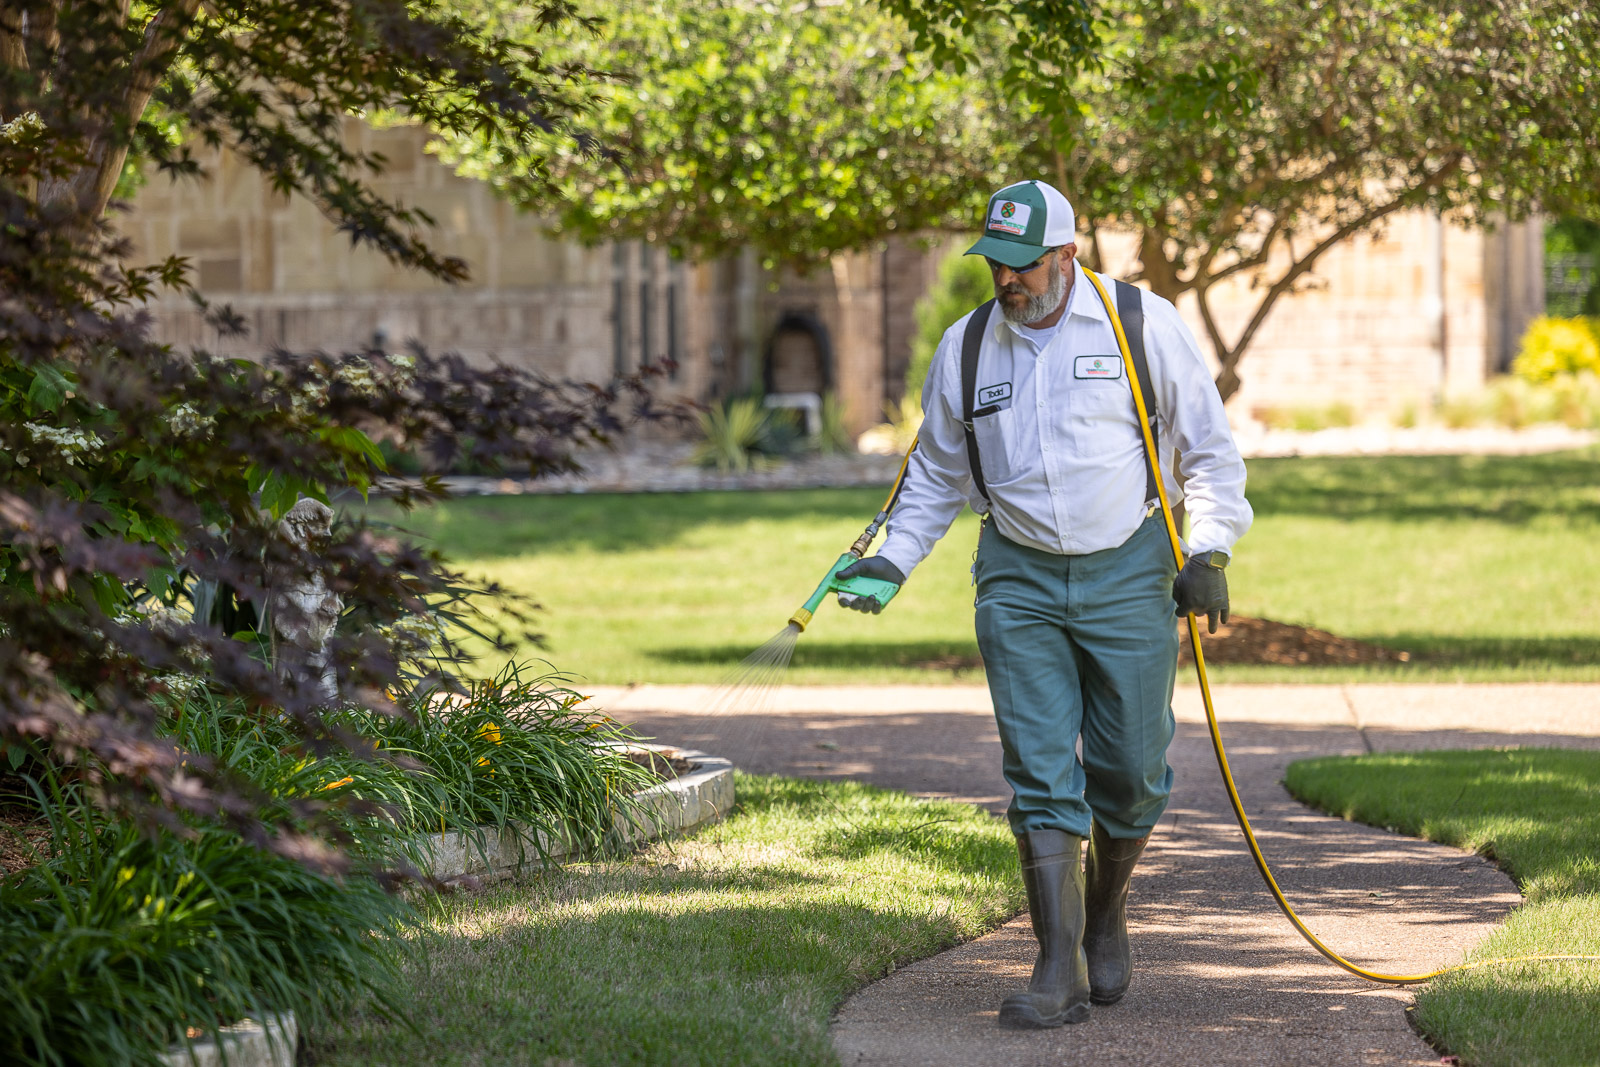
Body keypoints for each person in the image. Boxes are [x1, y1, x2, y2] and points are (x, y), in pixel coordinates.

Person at [837, 179, 1252, 1028]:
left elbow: (1209, 451)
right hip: (1018, 577)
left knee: (1132, 772)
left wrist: (1207, 547)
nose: (1009, 281)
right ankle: (1056, 961)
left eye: (1025, 265)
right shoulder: (965, 348)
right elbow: (935, 478)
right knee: (1037, 770)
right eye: (997, 264)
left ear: (1067, 255)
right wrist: (894, 563)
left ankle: (1105, 911)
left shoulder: (1140, 323)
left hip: (1132, 565)